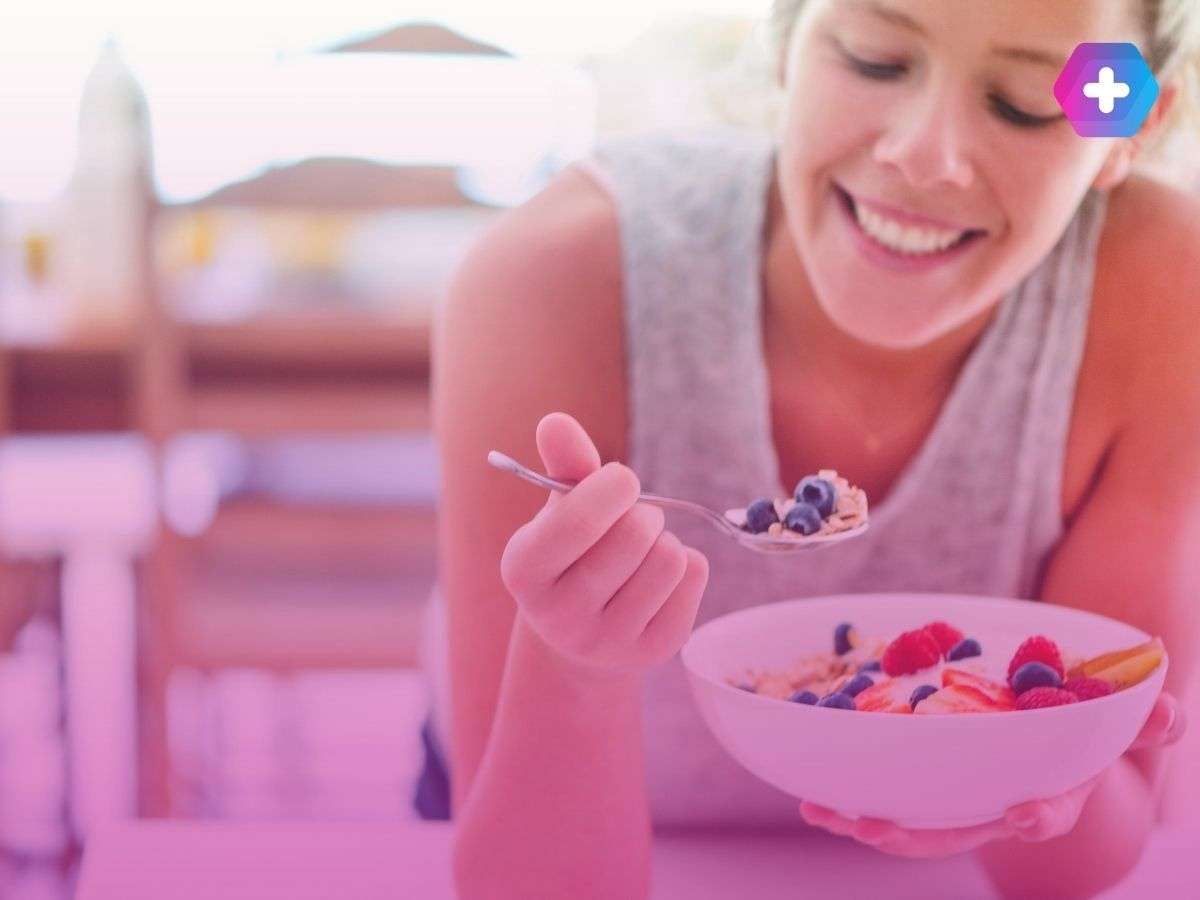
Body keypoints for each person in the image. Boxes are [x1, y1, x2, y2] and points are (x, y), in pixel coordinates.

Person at [424, 1, 1200, 897]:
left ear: (1124, 133)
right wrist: (572, 663)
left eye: (1028, 102)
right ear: (786, 46)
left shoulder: (1161, 294)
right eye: (874, 60)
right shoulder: (561, 276)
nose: (923, 152)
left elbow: (1082, 865)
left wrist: (1046, 754)